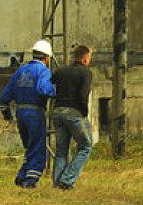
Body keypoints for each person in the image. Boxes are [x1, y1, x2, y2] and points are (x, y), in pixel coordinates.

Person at [0, 39, 56, 189]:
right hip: (35, 112)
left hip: (20, 112)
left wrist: (6, 111)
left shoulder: (21, 70)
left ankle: (22, 176)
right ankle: (30, 181)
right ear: (47, 57)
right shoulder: (43, 71)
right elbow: (43, 89)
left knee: (29, 147)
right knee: (37, 147)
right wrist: (57, 91)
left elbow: (6, 93)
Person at [51, 44, 94, 190]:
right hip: (74, 112)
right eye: (89, 58)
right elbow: (83, 95)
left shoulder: (61, 71)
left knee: (61, 151)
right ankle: (66, 180)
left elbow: (50, 86)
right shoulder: (86, 73)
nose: (89, 61)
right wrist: (84, 113)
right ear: (84, 59)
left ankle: (57, 183)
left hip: (57, 112)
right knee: (86, 146)